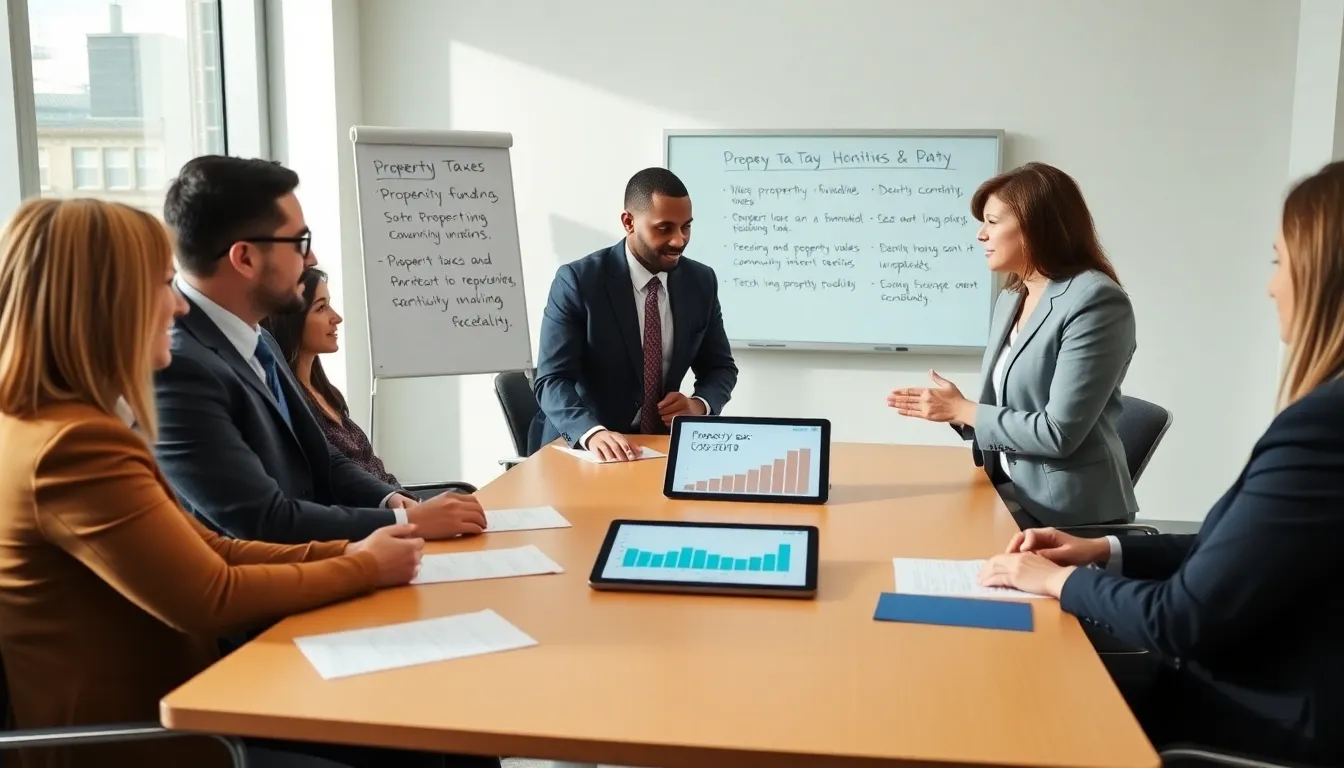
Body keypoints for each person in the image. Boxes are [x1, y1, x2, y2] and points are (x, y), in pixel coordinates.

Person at [0, 197, 436, 768]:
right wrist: (363, 566)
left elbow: (210, 550)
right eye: (162, 284)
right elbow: (211, 598)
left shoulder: (46, 425)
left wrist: (355, 550)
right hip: (153, 741)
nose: (179, 307)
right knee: (412, 739)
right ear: (105, 303)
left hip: (187, 707)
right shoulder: (74, 448)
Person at [977, 160, 1344, 765]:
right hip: (1253, 681)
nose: (1271, 286)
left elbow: (1181, 620)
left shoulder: (1323, 431)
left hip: (1245, 719)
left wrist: (1057, 581)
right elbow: (1245, 549)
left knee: (1008, 706)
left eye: (1279, 262)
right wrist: (1104, 550)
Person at [156, 156, 487, 544]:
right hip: (269, 590)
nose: (311, 259)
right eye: (299, 243)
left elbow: (320, 457)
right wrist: (407, 527)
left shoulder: (259, 340)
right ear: (244, 257)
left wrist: (392, 501)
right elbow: (262, 520)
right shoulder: (177, 367)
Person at [886, 162, 1137, 528]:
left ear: (1037, 225)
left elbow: (1058, 434)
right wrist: (955, 411)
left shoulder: (1096, 301)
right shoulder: (1013, 295)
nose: (980, 235)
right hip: (1006, 490)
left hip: (1067, 515)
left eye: (992, 221)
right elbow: (1014, 407)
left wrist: (964, 410)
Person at [532, 167, 738, 461]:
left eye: (686, 227)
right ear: (629, 222)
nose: (679, 240)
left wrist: (698, 405)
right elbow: (551, 380)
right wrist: (592, 433)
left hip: (661, 449)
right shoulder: (579, 281)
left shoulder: (701, 282)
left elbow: (720, 368)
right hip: (584, 448)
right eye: (664, 228)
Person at [262, 267, 398, 485]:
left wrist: (413, 503)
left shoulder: (328, 393)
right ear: (291, 320)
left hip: (396, 504)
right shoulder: (290, 403)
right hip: (373, 515)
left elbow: (375, 470)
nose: (337, 318)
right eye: (321, 308)